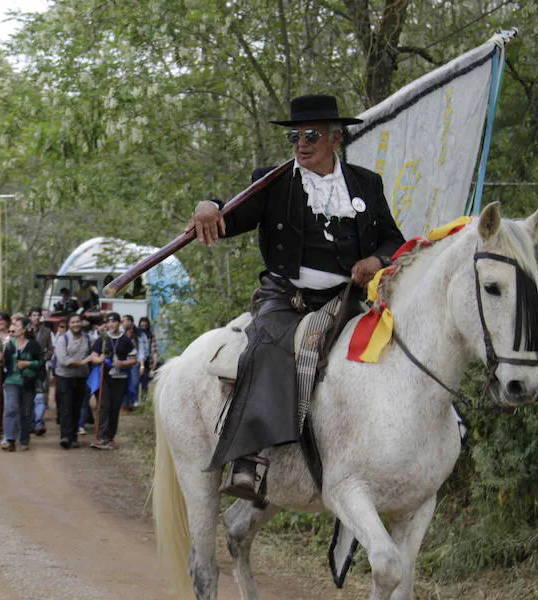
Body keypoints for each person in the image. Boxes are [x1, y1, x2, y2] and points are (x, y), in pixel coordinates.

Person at [189, 94, 405, 500]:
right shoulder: (272, 182)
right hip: (286, 299)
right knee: (267, 349)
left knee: (395, 352)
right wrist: (208, 206)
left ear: (336, 139)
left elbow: (394, 238)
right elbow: (229, 215)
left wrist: (376, 258)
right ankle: (248, 459)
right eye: (295, 136)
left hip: (344, 301)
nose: (301, 144)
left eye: (311, 135)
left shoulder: (366, 184)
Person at [88, 312, 136, 450]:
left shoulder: (126, 340)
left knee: (115, 407)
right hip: (105, 378)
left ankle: (110, 437)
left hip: (120, 378)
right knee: (104, 406)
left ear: (119, 323)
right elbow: (93, 357)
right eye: (108, 322)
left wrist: (122, 363)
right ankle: (101, 436)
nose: (111, 325)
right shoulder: (102, 339)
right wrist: (100, 360)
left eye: (113, 322)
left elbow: (134, 359)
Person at [0, 314, 43, 452]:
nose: (14, 328)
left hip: (28, 381)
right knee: (11, 408)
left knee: (26, 411)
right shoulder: (7, 344)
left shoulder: (33, 345)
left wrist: (27, 363)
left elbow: (40, 362)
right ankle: (10, 439)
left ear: (24, 329)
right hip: (11, 380)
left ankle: (24, 439)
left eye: (17, 326)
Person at [54, 315, 91, 449]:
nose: (76, 324)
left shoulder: (87, 338)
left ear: (81, 323)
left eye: (78, 322)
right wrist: (83, 362)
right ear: (69, 324)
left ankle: (73, 436)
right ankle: (65, 436)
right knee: (66, 407)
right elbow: (64, 360)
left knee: (77, 407)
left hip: (81, 377)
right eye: (73, 322)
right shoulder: (62, 339)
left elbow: (95, 352)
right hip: (64, 377)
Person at [28, 308, 53, 436]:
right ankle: (30, 422)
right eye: (34, 315)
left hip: (41, 367)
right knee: (28, 396)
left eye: (38, 315)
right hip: (27, 367)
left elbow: (50, 349)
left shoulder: (47, 331)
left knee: (40, 396)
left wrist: (44, 358)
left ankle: (38, 422)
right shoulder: (26, 330)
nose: (36, 317)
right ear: (30, 317)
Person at [137, 317, 159, 402]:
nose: (143, 327)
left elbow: (154, 350)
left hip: (147, 361)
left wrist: (155, 363)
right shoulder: (137, 335)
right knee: (135, 382)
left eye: (145, 325)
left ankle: (143, 400)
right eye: (142, 325)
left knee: (145, 382)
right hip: (136, 360)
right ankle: (134, 401)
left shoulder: (151, 335)